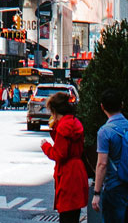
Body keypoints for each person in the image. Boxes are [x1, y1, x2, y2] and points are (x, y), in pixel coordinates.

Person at [97, 93, 128, 223]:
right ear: (122, 105)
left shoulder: (104, 131)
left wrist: (96, 193)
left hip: (113, 186)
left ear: (102, 107)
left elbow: (102, 164)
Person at [45, 92, 91, 223]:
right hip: (77, 170)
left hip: (68, 175)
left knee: (66, 216)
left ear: (54, 110)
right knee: (73, 215)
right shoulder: (73, 122)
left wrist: (46, 146)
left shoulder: (63, 127)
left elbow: (59, 154)